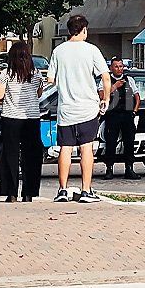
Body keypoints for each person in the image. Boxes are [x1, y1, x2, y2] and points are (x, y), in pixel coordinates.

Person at [47, 15, 111, 204]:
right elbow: (105, 78)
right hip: (88, 109)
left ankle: (62, 190)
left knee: (65, 149)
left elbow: (51, 80)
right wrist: (105, 99)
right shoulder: (91, 50)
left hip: (66, 109)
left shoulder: (58, 51)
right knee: (86, 148)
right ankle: (86, 190)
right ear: (83, 30)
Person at [0, 41, 45, 203]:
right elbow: (39, 93)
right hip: (31, 118)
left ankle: (11, 193)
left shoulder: (6, 73)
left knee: (10, 155)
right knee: (31, 156)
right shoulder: (36, 73)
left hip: (11, 117)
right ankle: (29, 193)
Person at [100, 57, 141, 180]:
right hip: (112, 115)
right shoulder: (106, 80)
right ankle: (109, 169)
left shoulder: (129, 80)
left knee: (129, 143)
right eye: (116, 66)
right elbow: (102, 96)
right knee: (111, 142)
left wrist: (134, 111)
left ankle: (129, 168)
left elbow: (137, 97)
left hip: (127, 115)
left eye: (121, 66)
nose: (119, 69)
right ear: (111, 68)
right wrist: (114, 86)